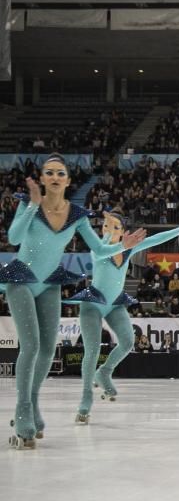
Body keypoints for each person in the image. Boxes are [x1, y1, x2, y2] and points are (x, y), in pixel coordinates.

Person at [2, 154, 145, 449]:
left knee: (47, 349)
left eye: (61, 173)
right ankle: (23, 409)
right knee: (30, 345)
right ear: (42, 178)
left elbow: (97, 250)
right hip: (22, 279)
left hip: (50, 283)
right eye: (49, 172)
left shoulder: (77, 215)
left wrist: (122, 245)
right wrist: (31, 204)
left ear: (67, 180)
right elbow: (14, 237)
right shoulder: (29, 204)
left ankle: (34, 404)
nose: (55, 177)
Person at [65, 212, 179, 423]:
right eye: (106, 226)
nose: (108, 230)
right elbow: (102, 253)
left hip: (114, 304)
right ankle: (86, 398)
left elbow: (155, 239)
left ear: (124, 232)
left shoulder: (129, 249)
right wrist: (121, 244)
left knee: (128, 342)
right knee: (92, 350)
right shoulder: (97, 249)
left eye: (114, 227)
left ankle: (105, 372)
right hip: (92, 305)